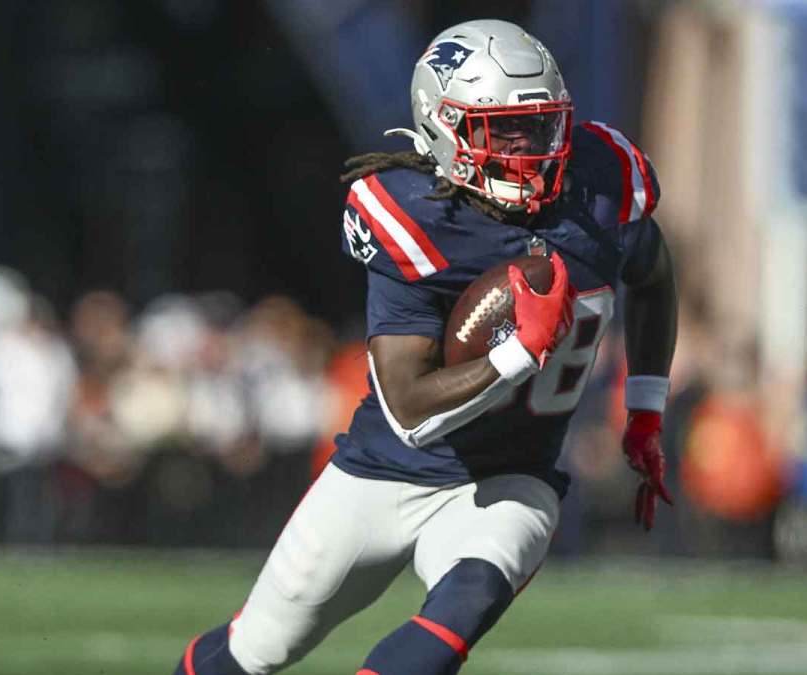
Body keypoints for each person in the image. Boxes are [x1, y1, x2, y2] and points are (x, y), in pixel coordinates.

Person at [173, 19, 678, 675]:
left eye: (542, 127)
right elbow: (409, 409)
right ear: (445, 127)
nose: (530, 150)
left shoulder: (601, 188)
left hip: (510, 478)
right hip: (384, 473)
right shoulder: (417, 216)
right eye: (504, 131)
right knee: (256, 650)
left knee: (459, 614)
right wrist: (515, 352)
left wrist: (645, 409)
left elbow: (653, 275)